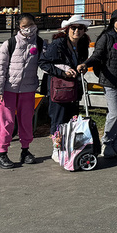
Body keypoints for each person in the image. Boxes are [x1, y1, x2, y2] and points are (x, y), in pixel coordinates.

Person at [79, 9, 117, 158]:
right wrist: (86, 64)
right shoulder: (106, 37)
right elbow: (97, 55)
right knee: (115, 113)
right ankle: (107, 143)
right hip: (110, 81)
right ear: (112, 22)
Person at [0, 13, 45, 169]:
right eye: (25, 26)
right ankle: (1, 154)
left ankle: (25, 151)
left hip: (28, 90)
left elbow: (50, 60)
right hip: (8, 90)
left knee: (26, 121)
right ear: (19, 27)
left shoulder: (40, 43)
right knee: (6, 122)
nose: (29, 29)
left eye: (31, 25)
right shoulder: (10, 43)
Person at [40, 15, 92, 160]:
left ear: (84, 30)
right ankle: (56, 149)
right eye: (73, 28)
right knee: (58, 119)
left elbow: (82, 62)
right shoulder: (58, 44)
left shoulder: (82, 44)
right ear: (67, 29)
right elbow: (44, 63)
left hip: (72, 88)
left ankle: (67, 147)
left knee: (71, 119)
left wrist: (82, 68)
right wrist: (63, 73)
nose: (77, 31)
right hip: (58, 88)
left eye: (80, 28)